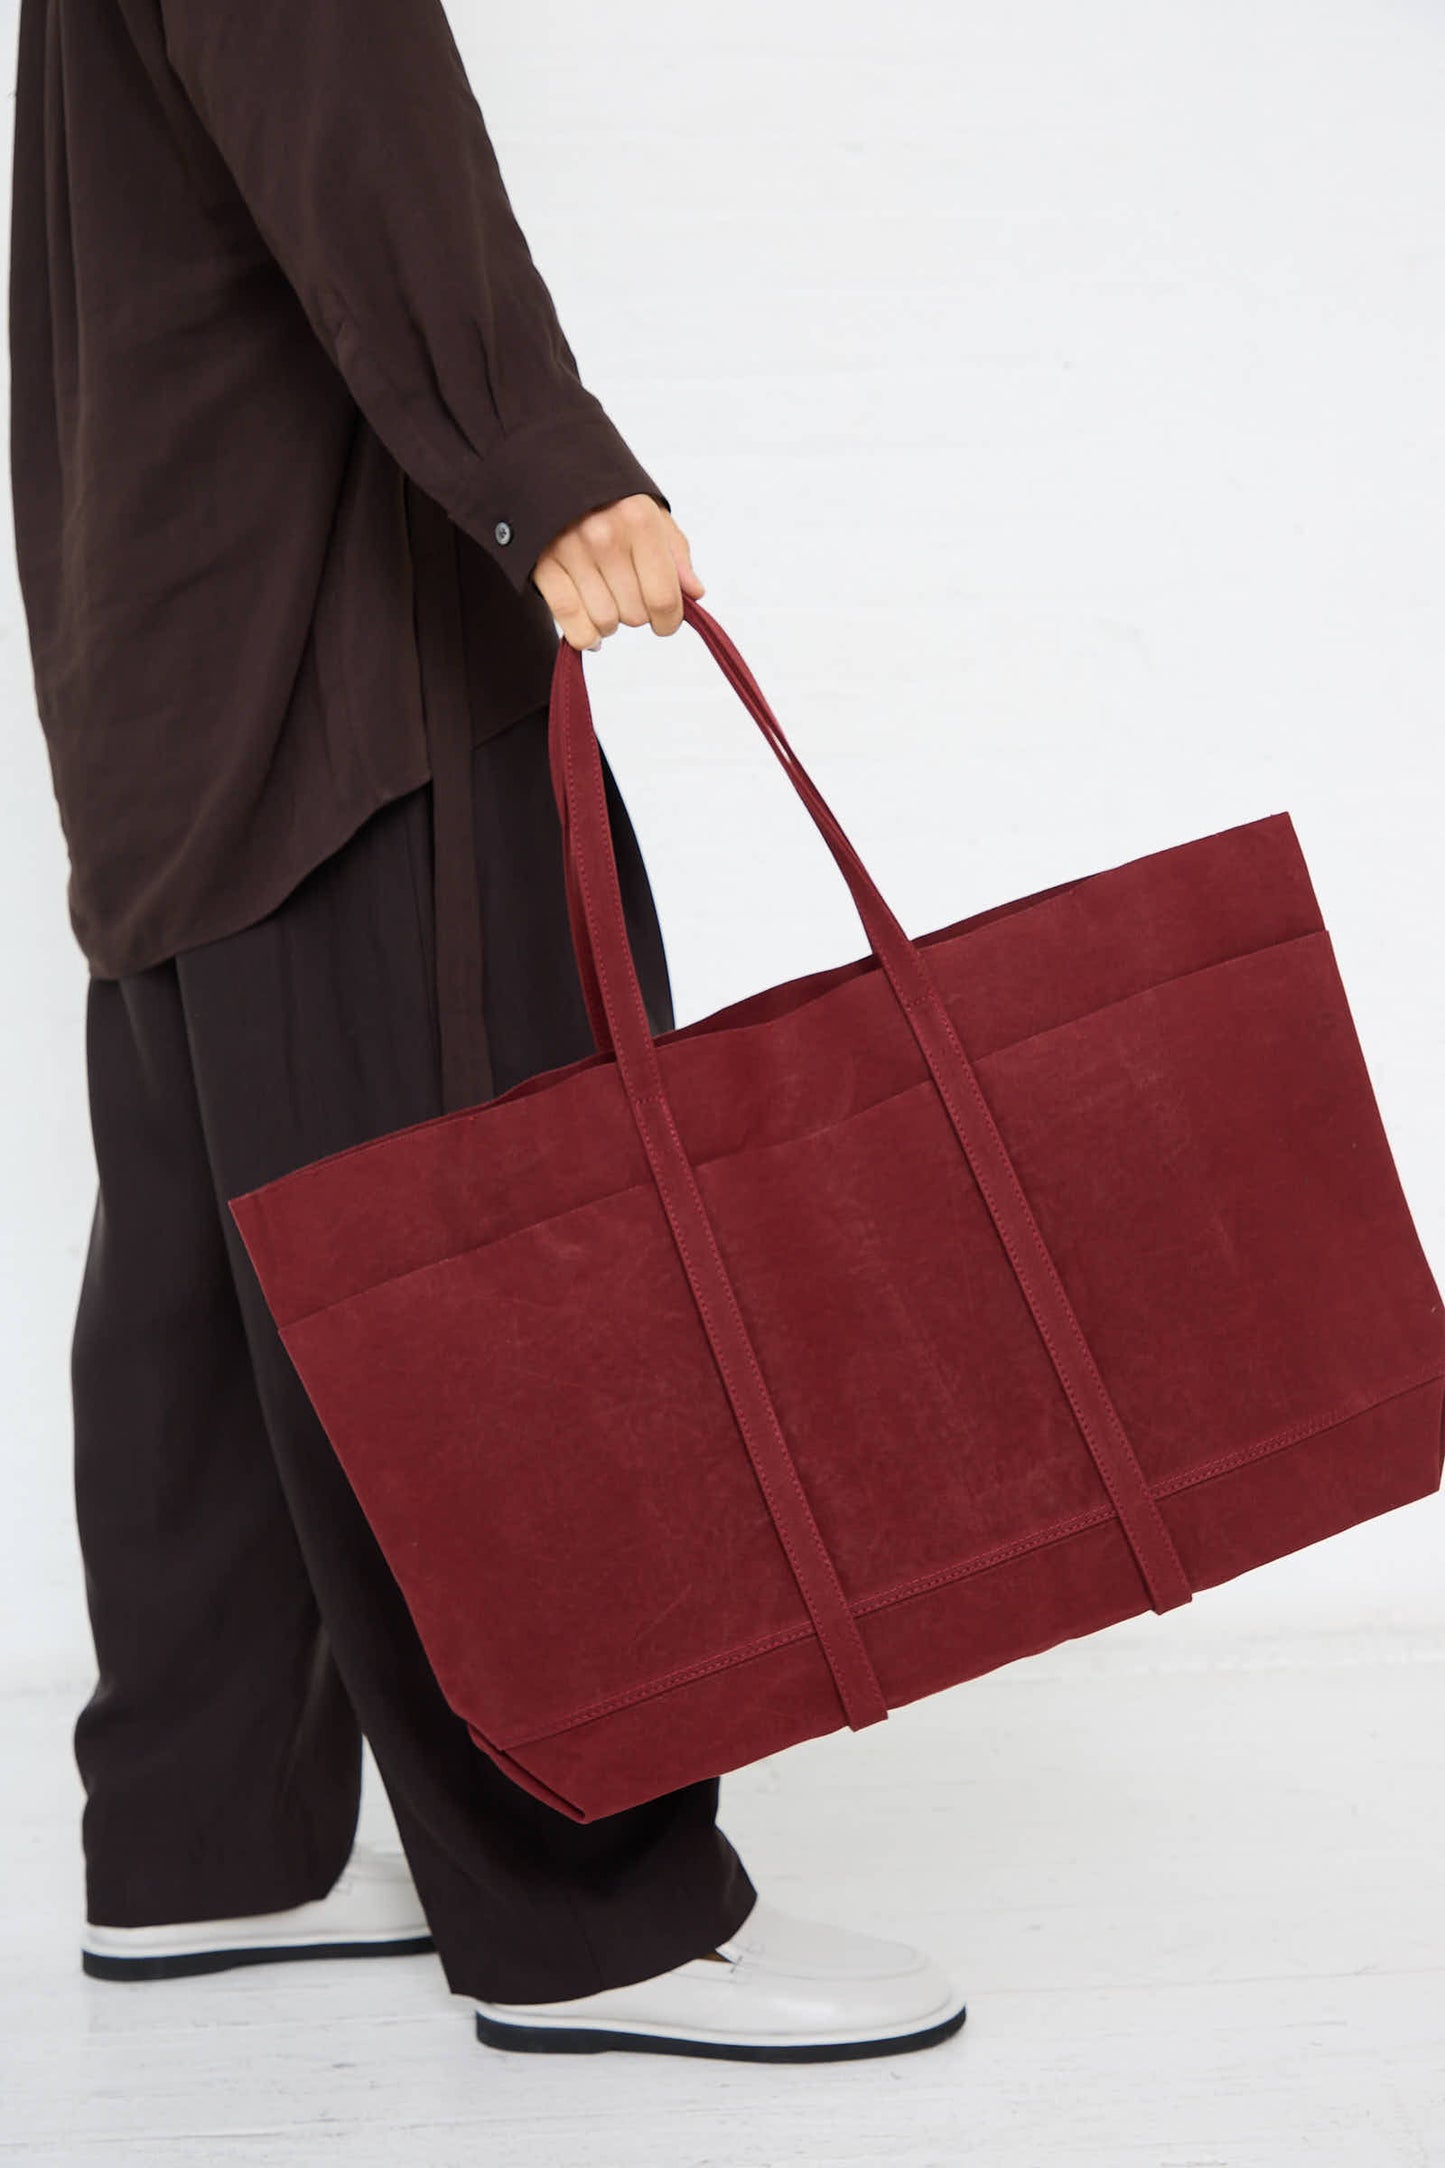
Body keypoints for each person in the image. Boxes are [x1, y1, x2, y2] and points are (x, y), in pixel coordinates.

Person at [8, 0, 967, 2062]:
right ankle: (589, 1898)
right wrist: (541, 462)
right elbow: (343, 101)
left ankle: (211, 1842)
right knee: (499, 1258)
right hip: (335, 652)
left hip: (167, 633)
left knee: (209, 1266)